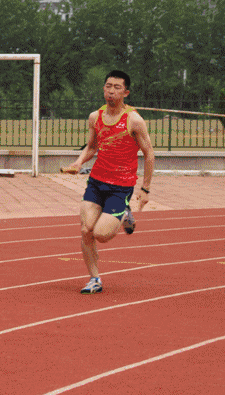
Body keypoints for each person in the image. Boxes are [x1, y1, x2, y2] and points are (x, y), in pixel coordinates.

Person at [62, 70, 155, 294]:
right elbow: (92, 146)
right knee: (86, 229)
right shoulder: (95, 117)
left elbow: (149, 154)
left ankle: (124, 212)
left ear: (126, 92)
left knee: (101, 235)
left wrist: (145, 189)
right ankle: (94, 278)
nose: (111, 91)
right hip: (97, 181)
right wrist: (78, 162)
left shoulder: (134, 120)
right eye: (108, 86)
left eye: (117, 87)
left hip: (120, 186)